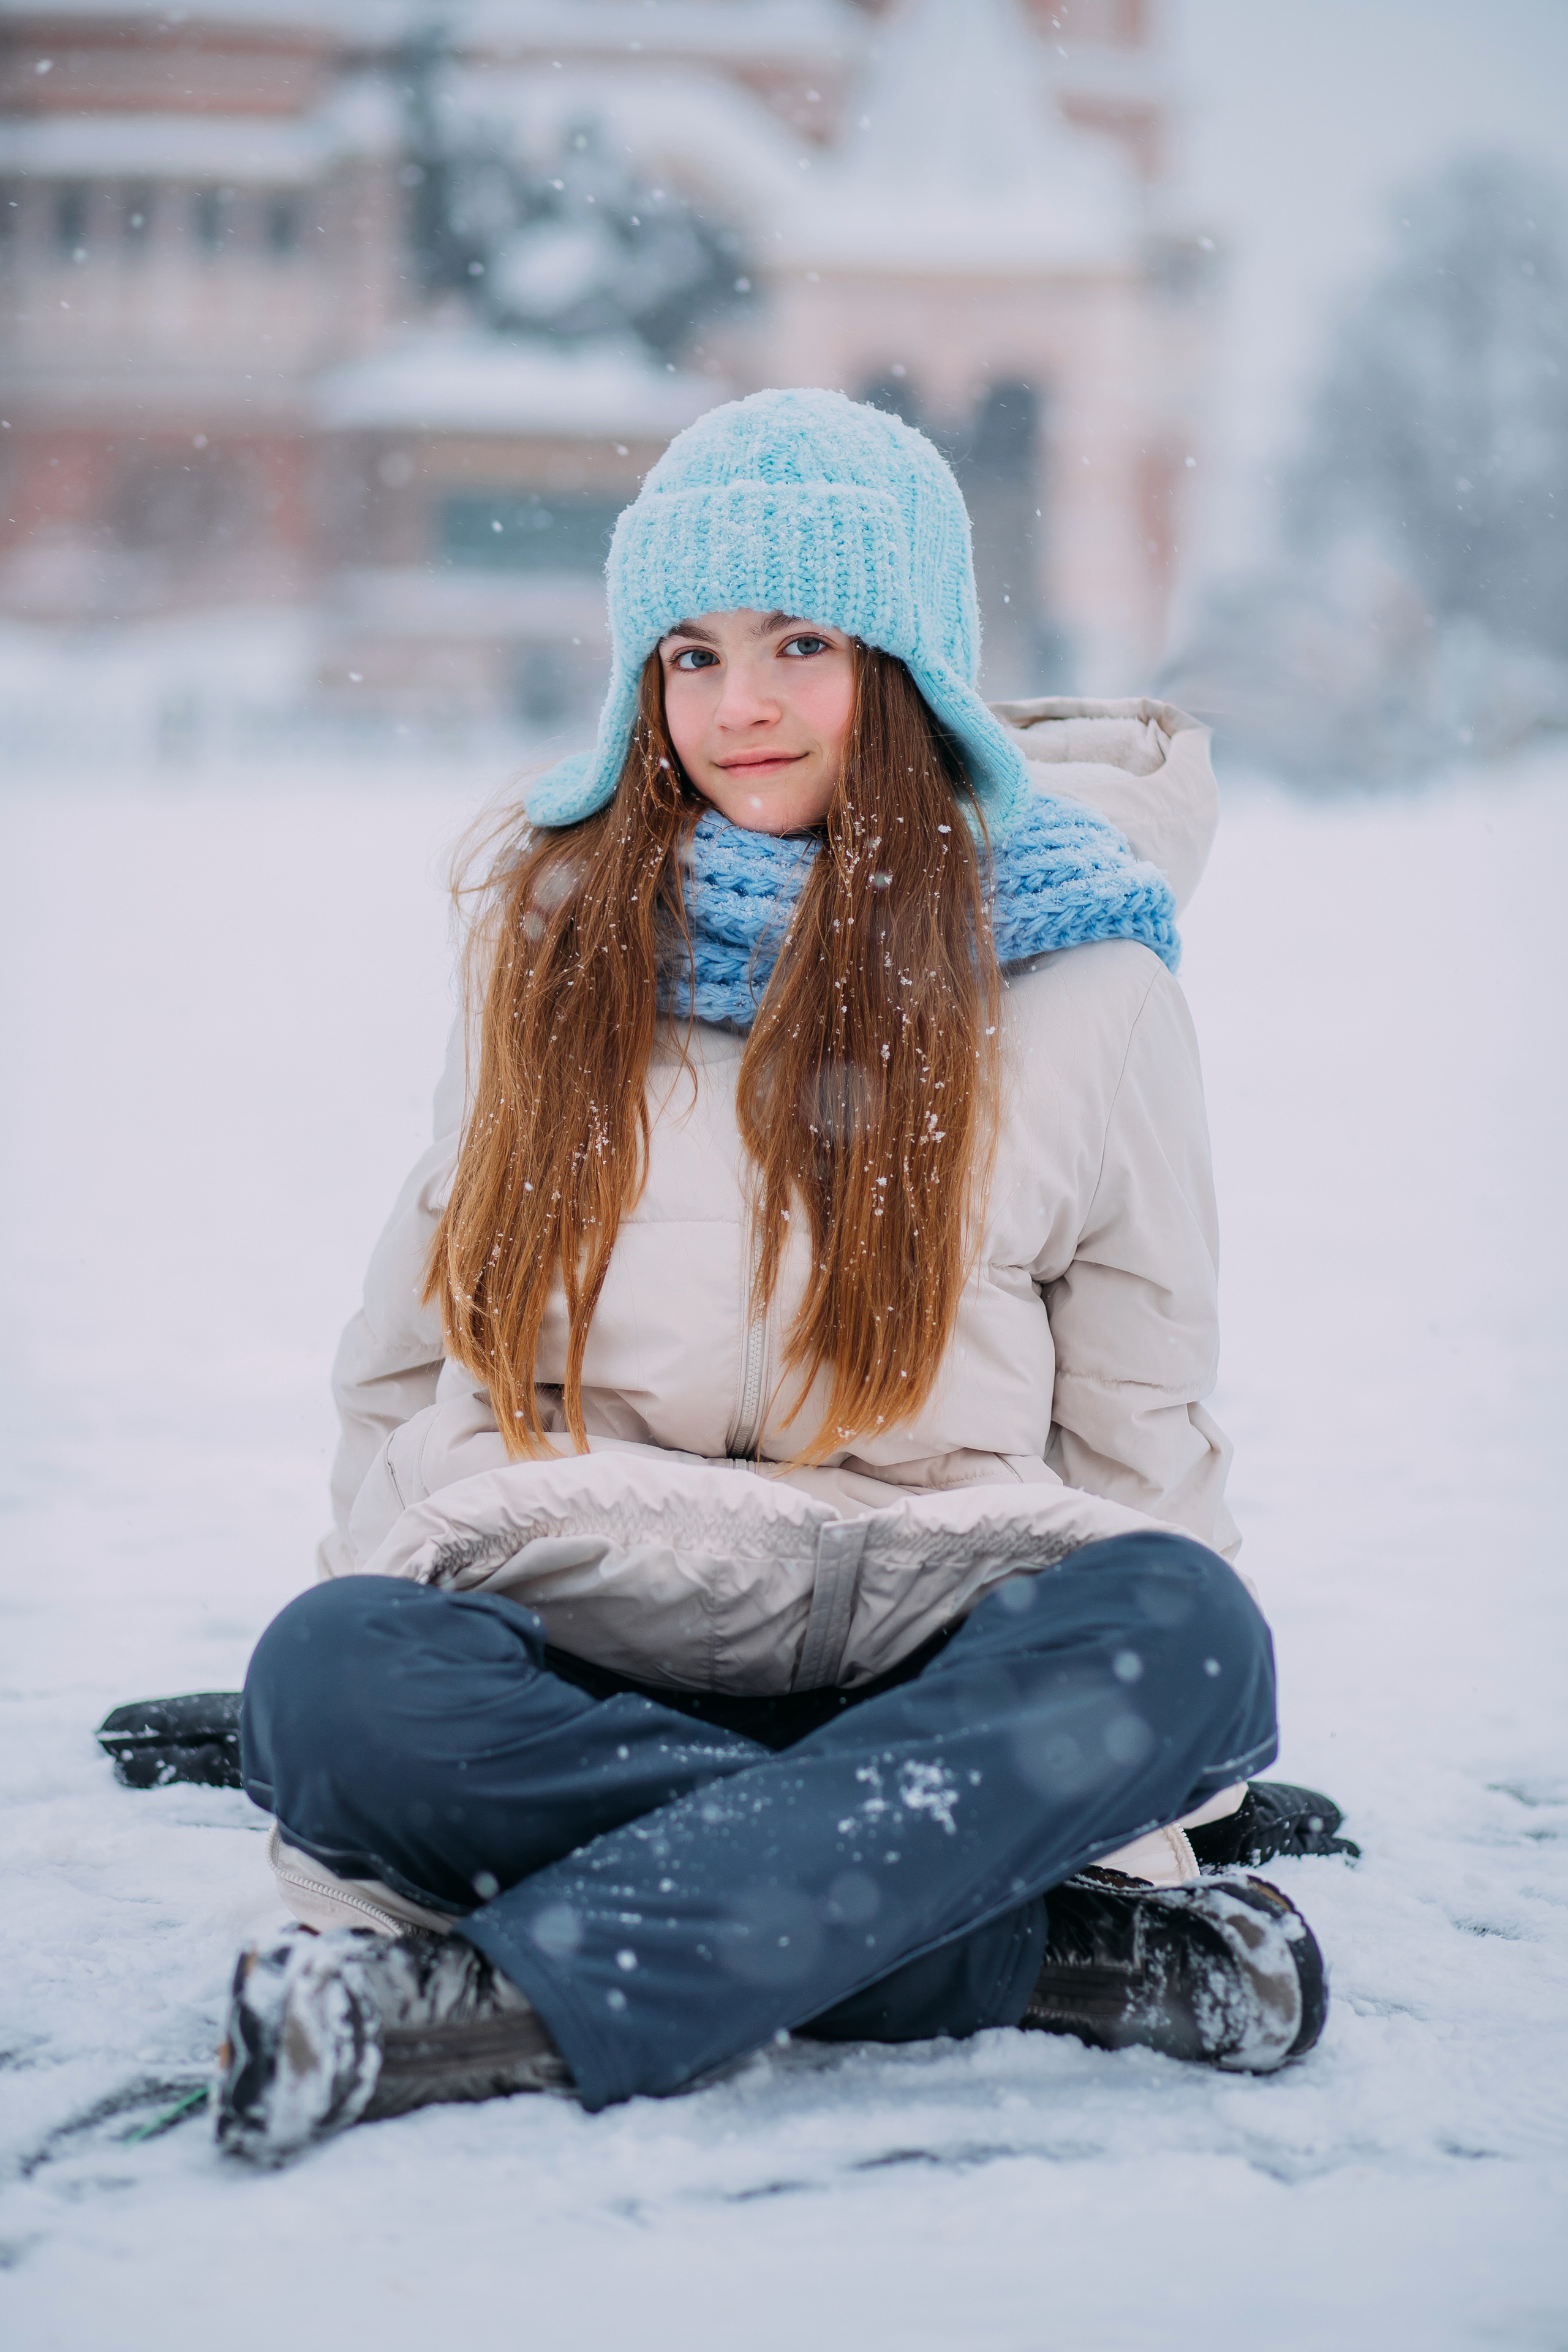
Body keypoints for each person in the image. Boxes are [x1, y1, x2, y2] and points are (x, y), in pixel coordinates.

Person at [216, 390, 1332, 2164]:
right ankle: (1024, 1950)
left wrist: (1140, 1772)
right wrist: (388, 1631)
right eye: (691, 651)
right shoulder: (550, 944)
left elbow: (1141, 1408)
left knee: (1191, 1639)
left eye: (804, 642)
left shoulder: (1091, 987)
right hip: (586, 1637)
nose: (740, 703)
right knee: (331, 1675)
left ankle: (480, 2011)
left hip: (925, 1639)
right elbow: (414, 1342)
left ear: (911, 669)